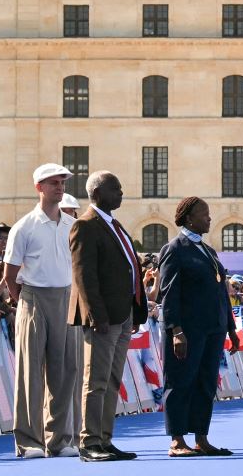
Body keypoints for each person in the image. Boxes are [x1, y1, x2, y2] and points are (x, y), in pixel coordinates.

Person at [69, 171, 148, 462]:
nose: (122, 193)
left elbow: (130, 269)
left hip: (124, 313)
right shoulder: (85, 225)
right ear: (99, 192)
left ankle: (105, 439)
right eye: (116, 189)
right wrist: (95, 315)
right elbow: (83, 275)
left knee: (113, 380)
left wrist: (137, 310)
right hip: (103, 317)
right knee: (96, 380)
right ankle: (89, 443)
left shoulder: (114, 225)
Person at [5, 163, 80, 459]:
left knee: (66, 372)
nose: (60, 187)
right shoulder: (24, 226)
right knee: (30, 372)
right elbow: (10, 275)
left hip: (66, 297)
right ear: (39, 187)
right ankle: (28, 441)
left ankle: (60, 440)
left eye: (62, 182)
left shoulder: (72, 226)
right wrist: (21, 301)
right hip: (33, 298)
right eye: (53, 183)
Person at [155, 197, 240, 458]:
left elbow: (220, 292)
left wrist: (231, 328)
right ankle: (177, 440)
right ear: (189, 218)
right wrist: (176, 331)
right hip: (187, 330)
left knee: (205, 384)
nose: (209, 218)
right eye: (204, 214)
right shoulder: (174, 249)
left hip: (213, 329)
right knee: (180, 382)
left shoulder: (208, 251)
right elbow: (168, 294)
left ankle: (201, 437)